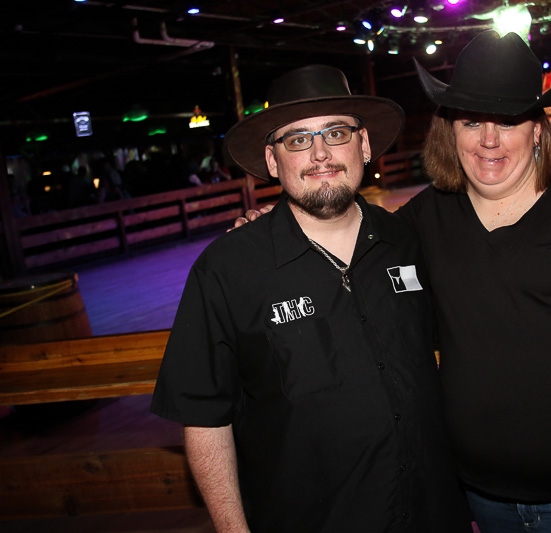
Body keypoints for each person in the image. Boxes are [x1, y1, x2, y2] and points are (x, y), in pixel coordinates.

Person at [237, 31, 551, 533]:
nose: (489, 140)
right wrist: (278, 222)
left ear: (537, 131)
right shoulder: (422, 221)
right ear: (451, 131)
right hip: (478, 493)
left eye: (507, 122)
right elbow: (344, 232)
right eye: (471, 122)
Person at [151, 64, 473, 533]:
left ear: (364, 145)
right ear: (272, 160)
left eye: (336, 133)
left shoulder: (409, 240)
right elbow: (204, 420)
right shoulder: (228, 268)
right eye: (298, 140)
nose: (320, 154)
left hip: (432, 514)